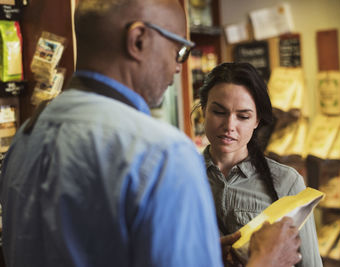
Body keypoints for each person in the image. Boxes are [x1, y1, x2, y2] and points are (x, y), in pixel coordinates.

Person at [0, 1, 301, 266]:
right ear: (139, 39)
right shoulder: (161, 153)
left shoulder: (27, 135)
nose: (177, 67)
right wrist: (267, 260)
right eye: (178, 50)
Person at [195, 62, 323, 267]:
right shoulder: (181, 178)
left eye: (243, 116)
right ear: (203, 110)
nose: (229, 126)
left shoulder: (287, 182)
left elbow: (310, 264)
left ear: (257, 121)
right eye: (219, 112)